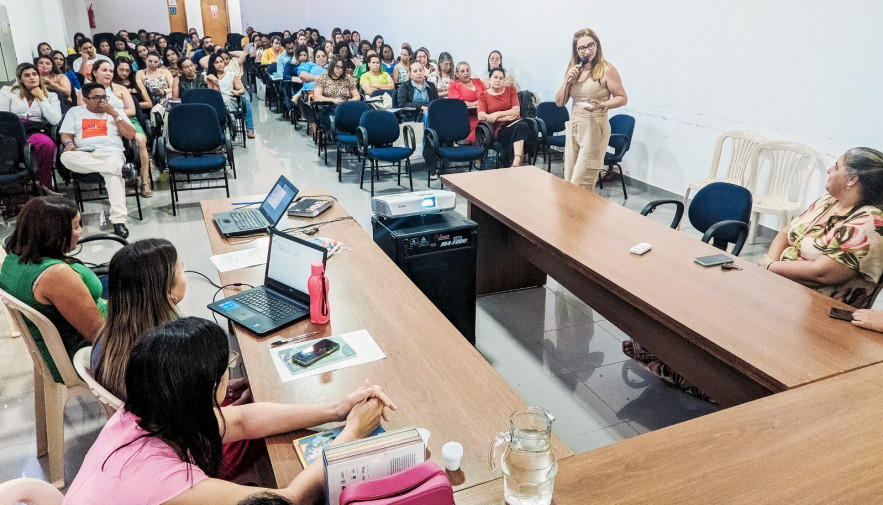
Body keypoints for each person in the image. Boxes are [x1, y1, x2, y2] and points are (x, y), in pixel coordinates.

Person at [62, 316, 394, 505]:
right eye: (228, 367)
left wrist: (336, 409)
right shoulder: (165, 482)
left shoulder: (141, 411)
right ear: (208, 388)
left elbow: (241, 419)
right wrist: (351, 434)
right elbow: (286, 500)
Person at [759, 148, 883, 309]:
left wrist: (770, 267)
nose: (829, 170)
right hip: (783, 288)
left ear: (852, 179)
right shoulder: (829, 200)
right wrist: (766, 272)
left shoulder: (869, 222)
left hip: (819, 308)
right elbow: (785, 232)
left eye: (837, 167)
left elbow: (822, 273)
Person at [0, 196, 107, 383]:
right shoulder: (56, 275)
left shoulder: (14, 257)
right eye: (75, 226)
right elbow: (100, 335)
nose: (80, 231)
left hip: (54, 351)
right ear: (54, 233)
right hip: (82, 356)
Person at [60, 82, 136, 238]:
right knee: (65, 157)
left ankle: (118, 221)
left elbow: (130, 135)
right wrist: (68, 143)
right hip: (84, 154)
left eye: (104, 97)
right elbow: (66, 134)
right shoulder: (75, 112)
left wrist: (115, 114)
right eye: (97, 98)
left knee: (113, 176)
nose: (102, 101)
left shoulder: (116, 112)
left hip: (111, 152)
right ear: (86, 100)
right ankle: (121, 170)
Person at [555, 28, 627, 192]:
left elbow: (622, 97)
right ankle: (572, 217)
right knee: (569, 180)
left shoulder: (606, 69)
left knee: (581, 183)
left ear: (597, 46)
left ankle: (582, 216)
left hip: (594, 127)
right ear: (576, 51)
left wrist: (603, 105)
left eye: (590, 46)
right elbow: (560, 102)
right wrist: (567, 80)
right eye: (582, 48)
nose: (587, 51)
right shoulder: (573, 69)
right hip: (574, 125)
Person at [90, 60, 152, 198]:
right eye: (104, 70)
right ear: (95, 72)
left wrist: (113, 113)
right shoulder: (86, 91)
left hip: (126, 120)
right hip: (100, 124)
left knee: (140, 140)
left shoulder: (120, 89)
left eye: (111, 71)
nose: (108, 73)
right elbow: (85, 112)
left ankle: (145, 181)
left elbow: (131, 110)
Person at [0, 63, 62, 188]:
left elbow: (55, 120)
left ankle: (42, 186)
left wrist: (41, 98)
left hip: (36, 131)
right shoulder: (8, 92)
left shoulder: (51, 96)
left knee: (47, 144)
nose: (32, 78)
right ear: (20, 79)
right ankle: (15, 189)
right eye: (27, 75)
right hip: (12, 132)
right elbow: (4, 116)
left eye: (35, 74)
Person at [478, 68, 529, 168]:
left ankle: (516, 162)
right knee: (520, 128)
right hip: (499, 129)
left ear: (504, 80)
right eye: (495, 77)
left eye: (501, 78)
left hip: (515, 122)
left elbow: (516, 111)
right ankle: (517, 162)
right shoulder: (483, 95)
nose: (498, 80)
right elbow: (481, 115)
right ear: (489, 79)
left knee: (521, 126)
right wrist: (505, 118)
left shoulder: (511, 91)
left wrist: (497, 114)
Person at [206, 52, 255, 139]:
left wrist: (237, 92)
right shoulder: (210, 77)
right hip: (217, 101)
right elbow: (214, 95)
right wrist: (215, 82)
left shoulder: (231, 75)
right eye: (216, 63)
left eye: (221, 61)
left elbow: (242, 89)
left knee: (226, 100)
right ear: (212, 65)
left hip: (230, 99)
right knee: (218, 101)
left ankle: (230, 122)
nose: (220, 64)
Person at [313, 55, 360, 130]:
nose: (340, 70)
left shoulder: (348, 78)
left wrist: (352, 100)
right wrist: (332, 100)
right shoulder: (322, 77)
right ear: (332, 66)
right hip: (328, 107)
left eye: (342, 67)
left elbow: (357, 96)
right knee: (339, 117)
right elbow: (317, 96)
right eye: (337, 67)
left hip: (345, 107)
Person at [448, 61, 484, 144]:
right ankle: (477, 154)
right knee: (478, 127)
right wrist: (476, 103)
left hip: (482, 115)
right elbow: (458, 103)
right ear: (457, 74)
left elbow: (487, 96)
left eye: (468, 70)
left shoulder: (478, 82)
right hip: (465, 118)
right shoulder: (454, 85)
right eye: (462, 71)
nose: (466, 73)